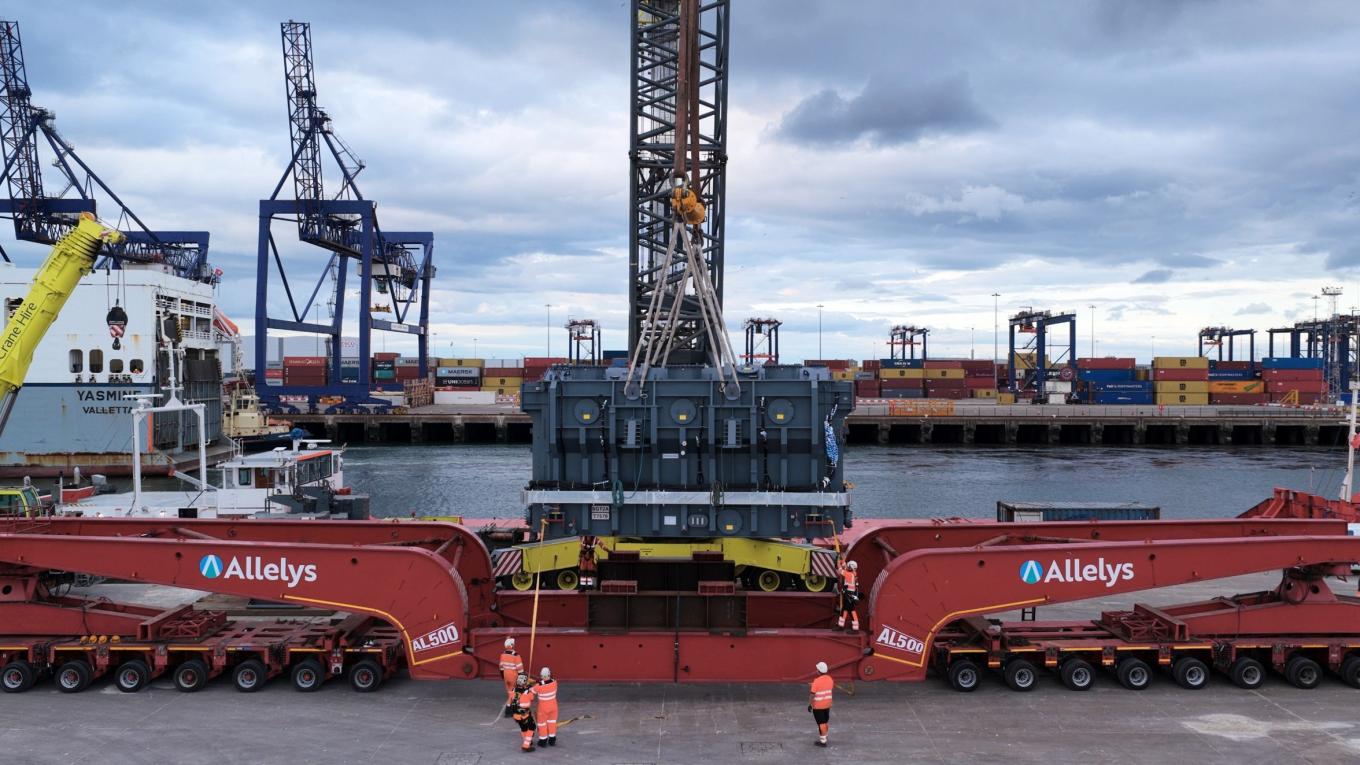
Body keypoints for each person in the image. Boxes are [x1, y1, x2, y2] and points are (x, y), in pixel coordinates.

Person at [808, 661, 834, 747]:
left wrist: (810, 704)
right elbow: (825, 687)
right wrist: (814, 685)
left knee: (821, 723)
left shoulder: (816, 681)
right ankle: (825, 736)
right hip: (827, 705)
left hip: (818, 706)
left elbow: (812, 695)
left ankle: (823, 742)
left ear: (818, 671)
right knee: (825, 721)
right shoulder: (830, 679)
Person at [511, 673, 538, 753]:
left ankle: (527, 740)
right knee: (532, 727)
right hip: (524, 715)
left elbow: (518, 695)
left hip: (516, 715)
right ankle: (526, 745)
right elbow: (532, 698)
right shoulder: (527, 692)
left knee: (523, 728)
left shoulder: (513, 690)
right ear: (525, 682)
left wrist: (527, 687)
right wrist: (529, 688)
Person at [535, 666, 559, 747]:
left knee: (542, 724)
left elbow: (532, 691)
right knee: (552, 723)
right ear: (549, 674)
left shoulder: (538, 686)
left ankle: (543, 740)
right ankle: (552, 740)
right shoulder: (554, 683)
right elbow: (547, 681)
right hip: (553, 707)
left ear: (541, 676)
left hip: (543, 708)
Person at [499, 638, 524, 717]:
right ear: (512, 645)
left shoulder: (503, 655)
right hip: (513, 676)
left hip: (506, 676)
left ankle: (509, 710)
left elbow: (501, 667)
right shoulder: (516, 656)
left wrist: (503, 676)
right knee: (516, 692)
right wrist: (522, 678)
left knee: (510, 692)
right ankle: (509, 709)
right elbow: (520, 669)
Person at [837, 559, 860, 631]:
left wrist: (838, 562)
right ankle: (840, 626)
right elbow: (845, 567)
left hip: (848, 596)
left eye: (848, 566)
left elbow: (841, 570)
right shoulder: (853, 573)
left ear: (850, 567)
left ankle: (855, 629)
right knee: (844, 610)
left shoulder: (848, 574)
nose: (847, 567)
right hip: (849, 595)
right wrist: (843, 561)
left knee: (851, 611)